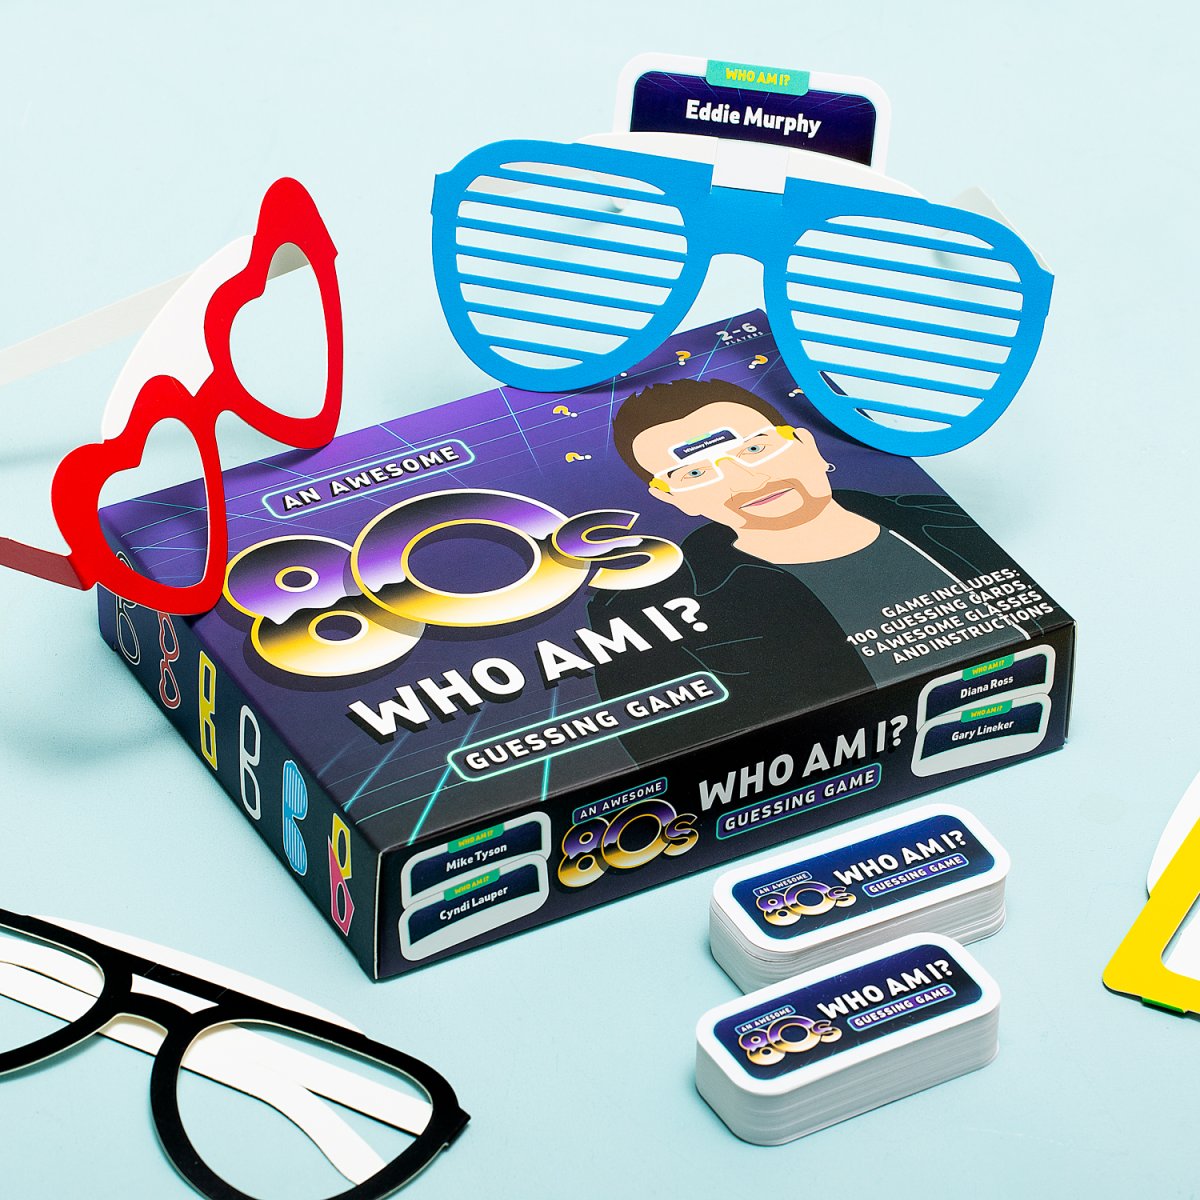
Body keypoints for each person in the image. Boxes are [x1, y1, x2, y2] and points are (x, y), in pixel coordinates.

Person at [588, 378, 1044, 764]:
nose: (747, 480)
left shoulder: (940, 519)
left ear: (807, 445)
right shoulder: (643, 609)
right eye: (694, 474)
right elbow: (678, 754)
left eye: (756, 448)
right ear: (671, 498)